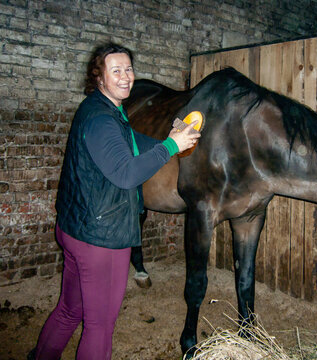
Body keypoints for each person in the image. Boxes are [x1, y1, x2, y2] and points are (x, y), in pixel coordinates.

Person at [28, 42, 200, 360]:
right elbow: (125, 174)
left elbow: (132, 142)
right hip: (101, 239)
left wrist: (171, 140)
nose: (125, 77)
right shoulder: (101, 120)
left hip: (78, 228)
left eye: (129, 69)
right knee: (100, 326)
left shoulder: (104, 109)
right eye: (116, 70)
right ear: (99, 77)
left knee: (70, 309)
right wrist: (170, 148)